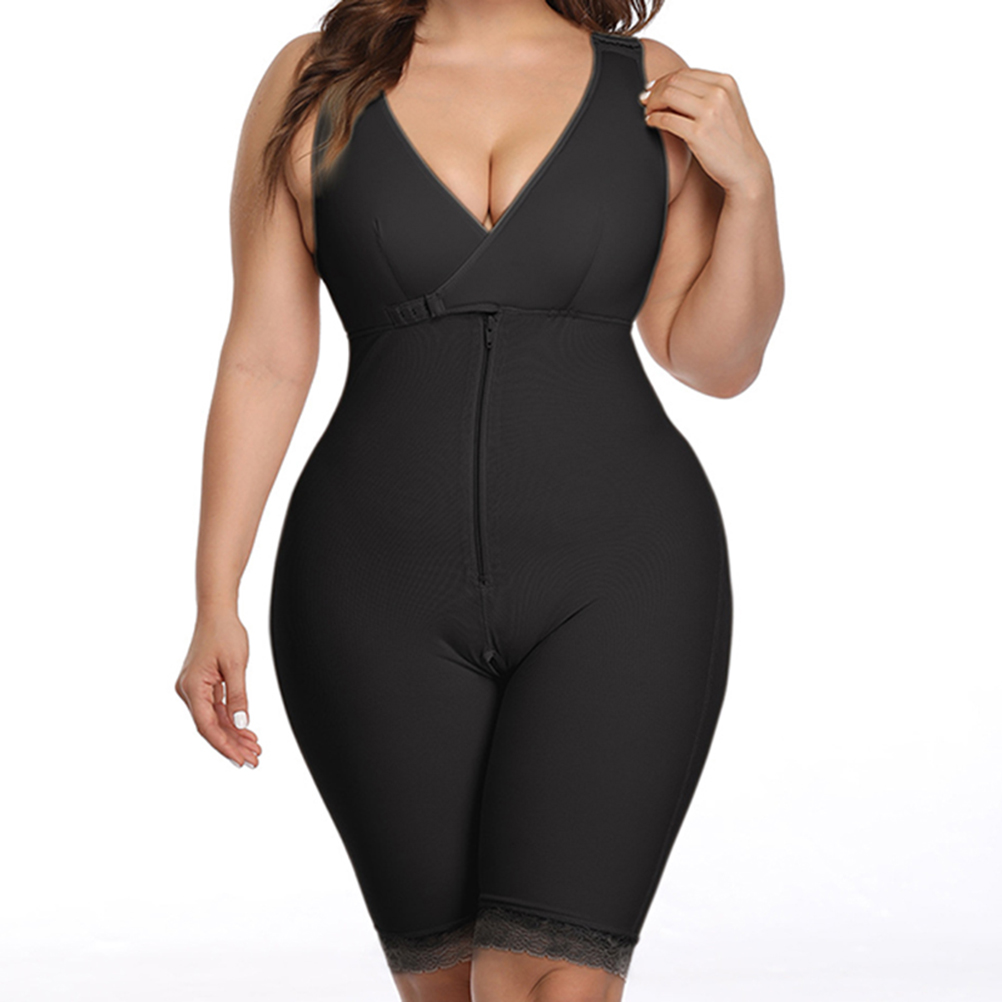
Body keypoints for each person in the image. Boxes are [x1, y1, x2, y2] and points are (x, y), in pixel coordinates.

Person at [175, 0, 783, 998]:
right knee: (450, 988)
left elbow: (714, 361)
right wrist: (215, 595)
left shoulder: (648, 80)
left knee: (550, 979)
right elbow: (266, 358)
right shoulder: (315, 78)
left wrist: (751, 189)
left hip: (623, 578)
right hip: (370, 589)